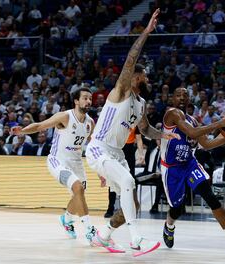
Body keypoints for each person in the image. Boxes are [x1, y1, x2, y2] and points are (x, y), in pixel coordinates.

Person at [85, 9, 179, 257]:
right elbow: (130, 58)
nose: (146, 77)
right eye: (143, 74)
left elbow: (146, 129)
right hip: (99, 147)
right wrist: (146, 32)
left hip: (115, 153)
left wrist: (164, 135)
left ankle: (103, 235)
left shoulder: (140, 103)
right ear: (136, 76)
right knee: (128, 182)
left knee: (132, 201)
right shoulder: (122, 90)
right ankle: (136, 239)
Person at [11, 88, 108, 248]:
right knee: (78, 188)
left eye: (90, 99)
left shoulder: (90, 123)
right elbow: (40, 125)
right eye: (85, 98)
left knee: (78, 194)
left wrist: (100, 172)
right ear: (76, 101)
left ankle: (67, 219)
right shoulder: (65, 116)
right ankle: (90, 231)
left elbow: (93, 147)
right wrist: (22, 130)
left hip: (76, 163)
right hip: (58, 161)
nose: (88, 101)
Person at [161, 87, 225, 252]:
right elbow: (193, 133)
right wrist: (219, 124)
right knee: (177, 209)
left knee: (210, 197)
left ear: (189, 99)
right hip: (172, 169)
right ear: (172, 99)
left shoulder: (193, 121)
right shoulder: (172, 113)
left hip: (189, 164)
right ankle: (169, 226)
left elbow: (207, 144)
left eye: (185, 95)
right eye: (178, 95)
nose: (181, 97)